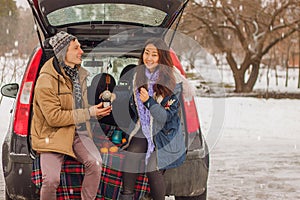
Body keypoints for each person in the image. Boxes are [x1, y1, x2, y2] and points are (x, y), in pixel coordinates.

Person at [30, 31, 112, 200]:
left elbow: (78, 107)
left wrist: (96, 111)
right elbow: (54, 118)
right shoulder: (46, 81)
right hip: (52, 135)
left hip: (77, 132)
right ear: (63, 54)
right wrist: (89, 112)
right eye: (76, 48)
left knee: (95, 164)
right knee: (51, 180)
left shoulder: (78, 75)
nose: (81, 51)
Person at [115, 38, 192, 200]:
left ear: (161, 57)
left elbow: (165, 116)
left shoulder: (173, 81)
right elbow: (133, 102)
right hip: (144, 128)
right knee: (132, 155)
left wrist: (148, 102)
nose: (148, 58)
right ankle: (126, 196)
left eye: (154, 55)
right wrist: (116, 96)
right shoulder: (139, 76)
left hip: (165, 134)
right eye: (146, 53)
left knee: (153, 168)